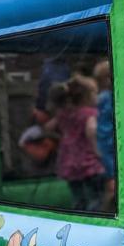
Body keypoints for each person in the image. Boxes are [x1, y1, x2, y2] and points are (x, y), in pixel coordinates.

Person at [45, 75, 105, 212]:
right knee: (95, 198)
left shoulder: (64, 114)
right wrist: (98, 151)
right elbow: (91, 131)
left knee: (78, 198)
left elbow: (48, 127)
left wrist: (63, 134)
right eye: (95, 93)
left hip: (68, 160)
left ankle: (78, 221)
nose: (98, 96)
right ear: (87, 96)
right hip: (88, 162)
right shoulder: (90, 113)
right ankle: (92, 222)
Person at [93, 61, 117, 213]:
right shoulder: (103, 98)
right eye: (106, 77)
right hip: (106, 146)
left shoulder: (113, 96)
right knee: (111, 184)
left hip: (112, 145)